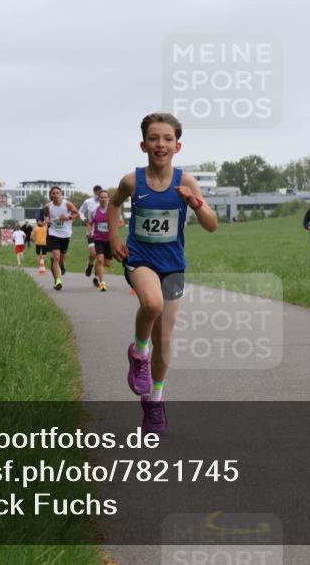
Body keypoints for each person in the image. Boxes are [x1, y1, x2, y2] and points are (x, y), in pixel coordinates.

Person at [109, 112, 218, 434]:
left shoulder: (186, 182)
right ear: (143, 144)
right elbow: (113, 205)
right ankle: (138, 353)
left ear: (177, 146)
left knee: (165, 338)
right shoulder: (133, 181)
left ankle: (154, 401)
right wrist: (115, 237)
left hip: (173, 264)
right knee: (152, 304)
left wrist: (195, 203)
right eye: (154, 138)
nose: (161, 144)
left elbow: (212, 225)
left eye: (167, 139)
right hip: (140, 259)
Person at [45, 186, 81, 290]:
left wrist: (68, 218)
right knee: (56, 257)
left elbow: (77, 213)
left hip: (65, 234)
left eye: (57, 193)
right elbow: (46, 216)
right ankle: (58, 281)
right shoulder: (48, 206)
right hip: (53, 233)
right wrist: (47, 220)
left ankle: (62, 265)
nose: (55, 195)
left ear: (61, 194)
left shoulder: (67, 204)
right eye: (53, 193)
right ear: (51, 195)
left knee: (60, 259)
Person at [90, 188, 113, 291]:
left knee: (107, 263)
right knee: (100, 260)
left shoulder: (112, 211)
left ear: (108, 199)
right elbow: (90, 223)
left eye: (105, 197)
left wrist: (113, 228)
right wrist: (90, 232)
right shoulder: (94, 212)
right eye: (101, 197)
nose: (103, 199)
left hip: (109, 240)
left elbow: (122, 222)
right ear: (98, 199)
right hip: (98, 239)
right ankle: (102, 283)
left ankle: (96, 272)